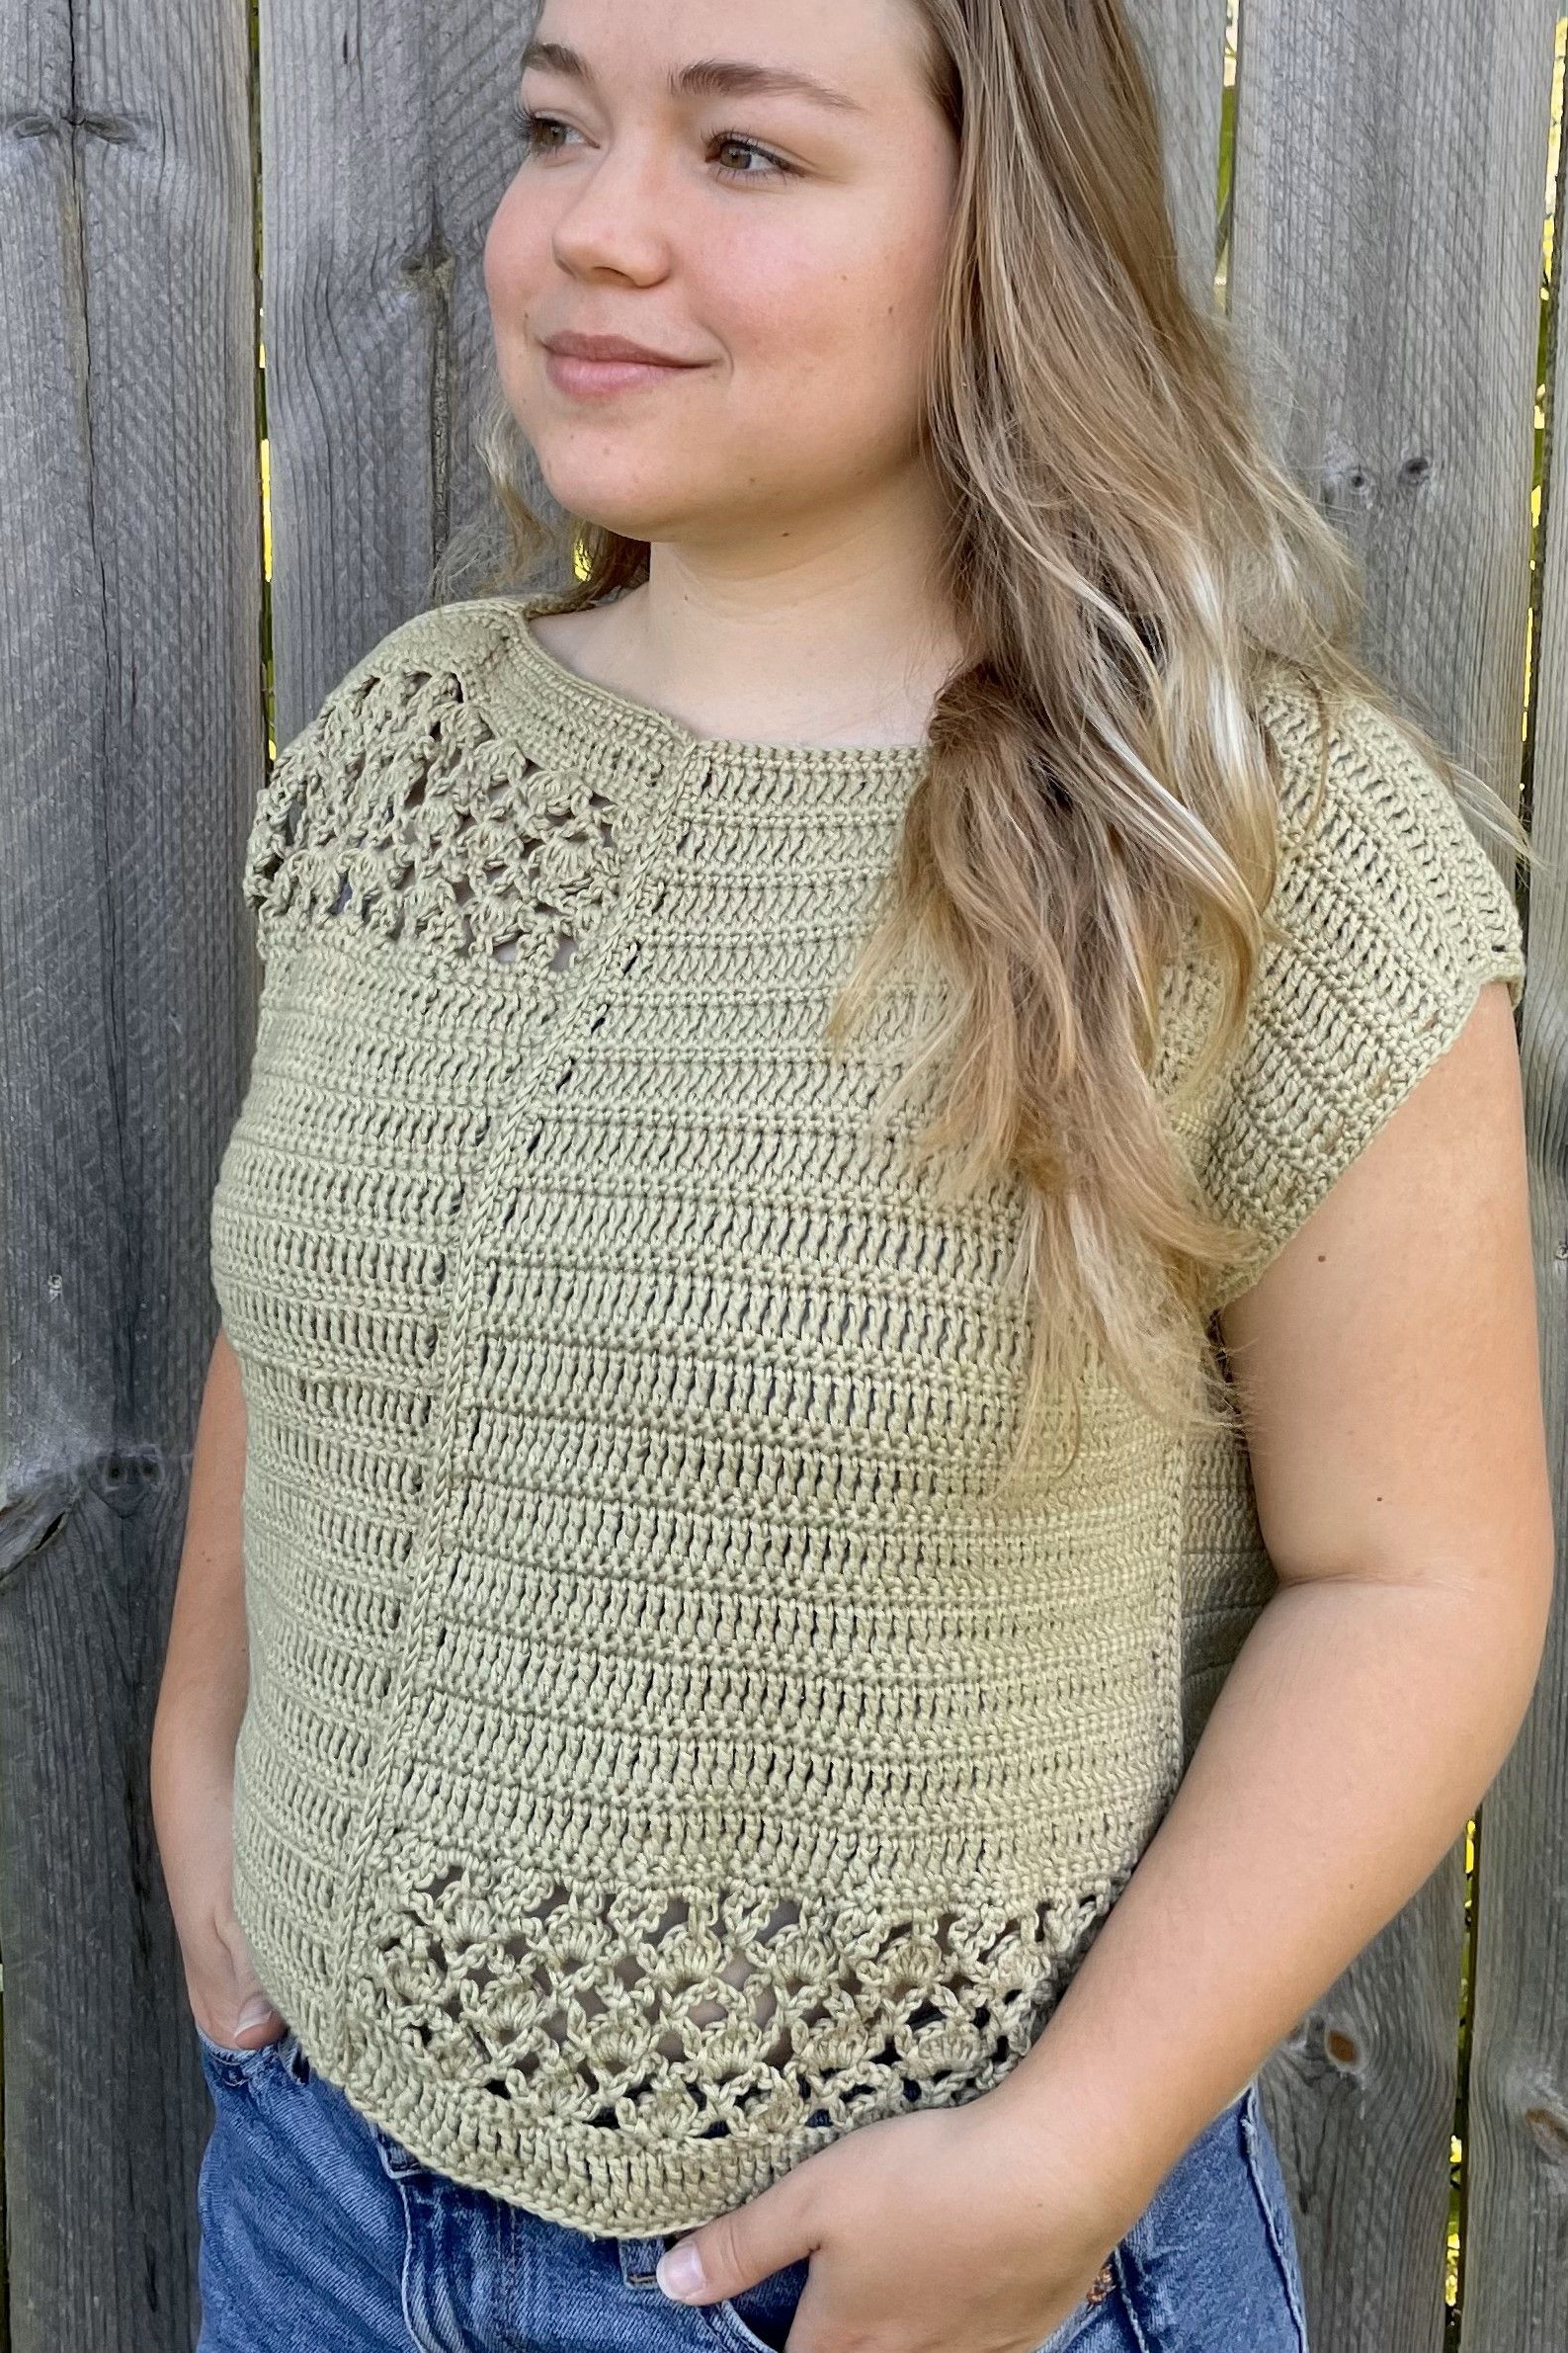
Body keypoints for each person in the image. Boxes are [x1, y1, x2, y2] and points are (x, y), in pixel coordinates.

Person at [149, 3, 1555, 2349]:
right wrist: (200, 1755)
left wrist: (1062, 2155)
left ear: (1002, 228)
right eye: (557, 127)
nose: (593, 228)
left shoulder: (1236, 843)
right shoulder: (410, 746)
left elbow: (1416, 1581)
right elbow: (299, 1309)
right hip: (316, 2208)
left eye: (744, 153)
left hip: (903, 2281)